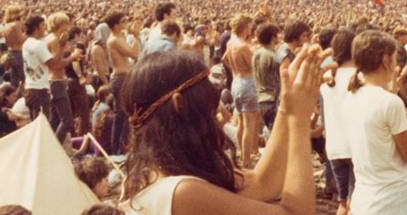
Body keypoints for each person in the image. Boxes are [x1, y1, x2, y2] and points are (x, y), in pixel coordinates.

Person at [119, 48, 323, 215]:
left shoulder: (146, 176)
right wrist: (299, 120)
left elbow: (264, 182)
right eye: (209, 104)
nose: (217, 114)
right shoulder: (182, 192)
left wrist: (287, 108)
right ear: (179, 104)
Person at [344, 30, 407, 215]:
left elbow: (387, 137)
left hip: (364, 198)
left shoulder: (352, 96)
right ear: (386, 60)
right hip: (390, 201)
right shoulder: (389, 102)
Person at [320, 29, 356, 215]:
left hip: (334, 147)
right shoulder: (359, 78)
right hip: (356, 146)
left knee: (343, 204)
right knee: (354, 203)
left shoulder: (327, 81)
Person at [223, 14, 260, 167]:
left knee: (243, 123)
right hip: (247, 82)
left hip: (236, 82)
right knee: (249, 124)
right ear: (245, 27)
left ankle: (242, 155)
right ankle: (247, 160)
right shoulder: (243, 46)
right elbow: (255, 65)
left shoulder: (231, 43)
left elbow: (224, 58)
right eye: (250, 26)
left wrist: (233, 70)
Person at [105, 12, 140, 154]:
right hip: (120, 78)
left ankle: (121, 148)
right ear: (116, 25)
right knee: (122, 116)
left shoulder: (119, 37)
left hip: (123, 77)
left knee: (124, 115)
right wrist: (136, 37)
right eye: (123, 21)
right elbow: (133, 53)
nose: (126, 23)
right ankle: (117, 150)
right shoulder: (114, 39)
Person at [46, 12, 80, 143]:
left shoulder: (51, 38)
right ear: (59, 25)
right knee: (68, 121)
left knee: (54, 121)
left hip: (54, 81)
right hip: (56, 82)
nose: (68, 26)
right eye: (66, 23)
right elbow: (57, 64)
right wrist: (73, 56)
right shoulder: (55, 40)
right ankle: (55, 149)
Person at [21, 15, 54, 121]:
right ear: (36, 28)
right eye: (43, 25)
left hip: (30, 89)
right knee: (42, 125)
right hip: (40, 90)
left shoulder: (26, 43)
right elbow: (53, 64)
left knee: (35, 123)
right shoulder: (38, 44)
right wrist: (71, 56)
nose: (45, 28)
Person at [253, 23, 281, 131]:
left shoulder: (257, 52)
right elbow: (278, 82)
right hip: (272, 100)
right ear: (273, 37)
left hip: (260, 98)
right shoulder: (273, 56)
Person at [3, 5, 25, 88]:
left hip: (10, 53)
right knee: (25, 79)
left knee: (14, 81)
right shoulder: (16, 24)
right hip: (19, 53)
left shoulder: (6, 25)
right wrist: (29, 34)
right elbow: (20, 39)